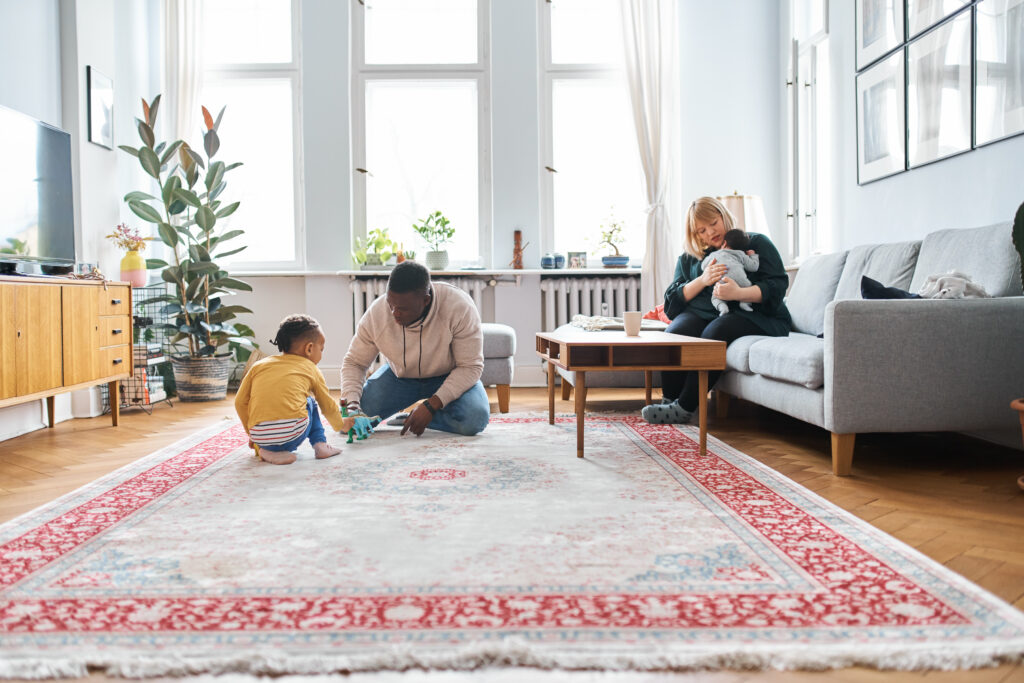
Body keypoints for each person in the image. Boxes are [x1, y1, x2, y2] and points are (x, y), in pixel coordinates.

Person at [643, 196, 791, 424]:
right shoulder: (689, 257)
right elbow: (672, 302)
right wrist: (702, 280)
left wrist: (739, 294)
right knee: (675, 332)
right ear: (695, 235)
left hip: (754, 314)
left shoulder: (755, 242)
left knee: (715, 332)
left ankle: (683, 408)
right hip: (702, 313)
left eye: (713, 223)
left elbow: (778, 286)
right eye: (701, 230)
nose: (710, 232)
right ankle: (668, 401)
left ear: (723, 215)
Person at [340, 260, 490, 437]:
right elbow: (355, 362)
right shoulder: (377, 313)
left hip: (449, 376)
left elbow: (471, 367)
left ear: (425, 300)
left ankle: (416, 418)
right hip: (399, 377)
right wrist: (352, 405)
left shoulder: (459, 306)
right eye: (391, 304)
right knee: (352, 423)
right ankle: (416, 416)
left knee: (474, 420)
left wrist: (431, 405)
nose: (394, 313)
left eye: (402, 309)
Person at [235, 314, 347, 465]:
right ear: (309, 348)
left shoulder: (258, 366)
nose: (321, 353)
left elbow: (240, 402)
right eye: (321, 349)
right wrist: (341, 425)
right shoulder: (310, 368)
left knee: (267, 409)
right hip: (294, 434)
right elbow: (327, 405)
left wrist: (253, 434)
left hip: (260, 436)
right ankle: (320, 445)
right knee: (311, 402)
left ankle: (265, 451)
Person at [703, 229, 759, 314]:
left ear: (724, 243)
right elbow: (753, 267)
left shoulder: (715, 254)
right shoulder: (741, 254)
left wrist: (708, 267)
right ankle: (745, 303)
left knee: (715, 297)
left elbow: (703, 266)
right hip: (741, 281)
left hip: (722, 281)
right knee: (748, 288)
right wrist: (753, 255)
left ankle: (722, 307)